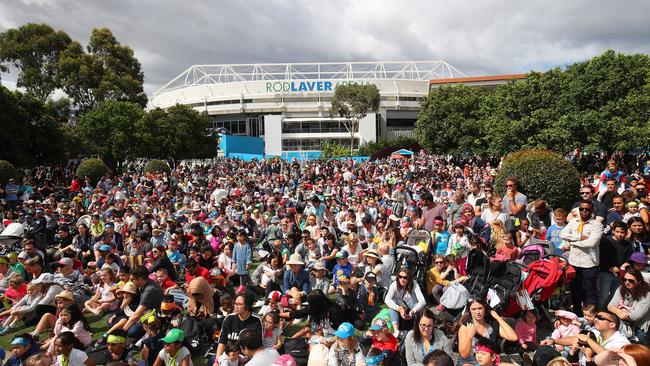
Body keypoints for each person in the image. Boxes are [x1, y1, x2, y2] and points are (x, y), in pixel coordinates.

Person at [560, 200, 603, 315]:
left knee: (590, 292)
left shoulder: (597, 225)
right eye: (582, 209)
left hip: (589, 263)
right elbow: (562, 234)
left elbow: (591, 243)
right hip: (574, 262)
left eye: (587, 209)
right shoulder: (573, 222)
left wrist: (572, 243)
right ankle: (578, 315)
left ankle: (591, 317)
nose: (584, 211)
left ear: (591, 210)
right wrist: (579, 237)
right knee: (575, 291)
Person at [455, 298, 518, 365]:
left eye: (480, 308)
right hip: (470, 362)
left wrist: (498, 318)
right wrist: (470, 337)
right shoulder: (465, 327)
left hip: (489, 361)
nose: (477, 312)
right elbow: (464, 355)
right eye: (474, 309)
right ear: (470, 310)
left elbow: (513, 337)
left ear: (485, 308)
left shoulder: (491, 324)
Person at [607, 267, 650, 344]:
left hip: (639, 330)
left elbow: (635, 316)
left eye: (631, 281)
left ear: (639, 281)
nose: (627, 282)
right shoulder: (621, 289)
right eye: (624, 279)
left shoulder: (646, 294)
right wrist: (619, 311)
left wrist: (621, 308)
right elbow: (610, 306)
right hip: (622, 326)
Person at [217, 292, 262, 357]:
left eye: (239, 304)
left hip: (248, 358)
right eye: (235, 304)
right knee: (211, 360)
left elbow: (259, 345)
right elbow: (222, 341)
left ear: (247, 306)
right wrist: (217, 360)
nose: (236, 307)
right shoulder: (229, 319)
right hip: (230, 357)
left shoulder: (256, 321)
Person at [384, 267, 426, 333]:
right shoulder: (394, 284)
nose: (402, 279)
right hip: (400, 308)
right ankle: (396, 331)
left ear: (409, 278)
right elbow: (387, 299)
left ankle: (417, 329)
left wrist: (413, 310)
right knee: (392, 306)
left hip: (412, 308)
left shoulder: (414, 284)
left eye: (405, 277)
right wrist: (399, 309)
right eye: (400, 277)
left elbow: (423, 301)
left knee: (419, 307)